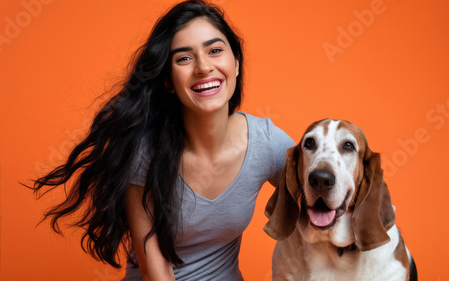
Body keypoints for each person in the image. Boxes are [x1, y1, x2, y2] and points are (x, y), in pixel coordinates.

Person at [29, 1, 294, 280]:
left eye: (215, 50)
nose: (203, 67)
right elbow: (156, 272)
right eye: (184, 58)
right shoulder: (145, 151)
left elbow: (321, 196)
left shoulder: (266, 142)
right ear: (168, 81)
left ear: (236, 63)